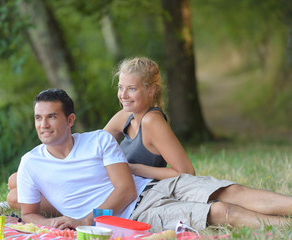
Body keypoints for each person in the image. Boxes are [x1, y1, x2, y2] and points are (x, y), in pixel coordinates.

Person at [103, 57, 292, 232]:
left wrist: (133, 168)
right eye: (121, 87)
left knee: (232, 196)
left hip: (161, 190)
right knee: (226, 203)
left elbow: (185, 171)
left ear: (151, 90)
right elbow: (95, 147)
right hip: (144, 194)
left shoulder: (151, 121)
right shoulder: (123, 118)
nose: (123, 95)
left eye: (132, 89)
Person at [12, 88, 151, 229]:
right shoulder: (30, 163)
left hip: (147, 199)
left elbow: (127, 190)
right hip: (129, 221)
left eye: (51, 117)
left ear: (70, 120)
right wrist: (52, 223)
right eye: (38, 118)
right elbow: (28, 214)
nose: (43, 125)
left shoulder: (99, 140)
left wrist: (87, 221)